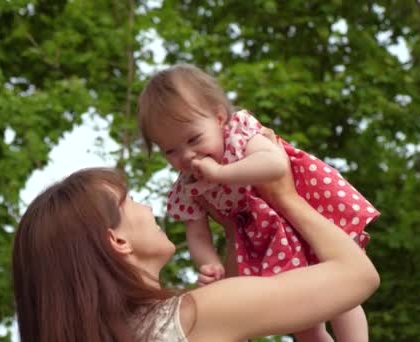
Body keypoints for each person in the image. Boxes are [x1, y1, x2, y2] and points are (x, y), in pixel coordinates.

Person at [137, 64, 380, 341]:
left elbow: (274, 165)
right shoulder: (188, 186)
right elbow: (198, 234)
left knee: (341, 294)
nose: (187, 155)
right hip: (264, 240)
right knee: (302, 317)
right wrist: (209, 263)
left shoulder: (239, 135)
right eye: (171, 150)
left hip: (304, 214)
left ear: (219, 118)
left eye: (194, 139)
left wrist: (221, 174)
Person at [12, 164, 380, 341]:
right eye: (131, 202)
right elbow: (358, 276)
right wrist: (285, 196)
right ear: (118, 241)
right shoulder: (190, 316)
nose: (149, 210)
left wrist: (236, 230)